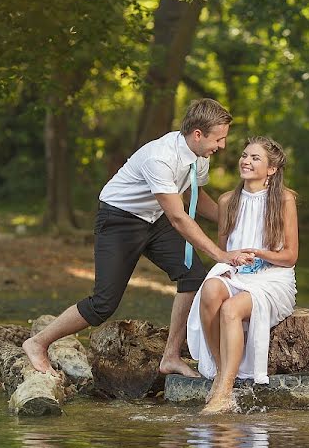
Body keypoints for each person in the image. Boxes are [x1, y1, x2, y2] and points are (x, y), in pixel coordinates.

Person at [23, 99, 255, 377]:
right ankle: (37, 343)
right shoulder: (160, 157)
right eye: (219, 138)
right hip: (119, 220)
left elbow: (194, 195)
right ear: (197, 134)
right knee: (103, 304)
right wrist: (221, 254)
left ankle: (170, 357)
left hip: (154, 218)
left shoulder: (200, 157)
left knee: (192, 276)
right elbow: (179, 218)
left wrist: (233, 220)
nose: (222, 145)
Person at [186, 136, 298, 414]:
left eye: (255, 158)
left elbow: (290, 257)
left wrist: (259, 254)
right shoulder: (228, 201)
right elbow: (225, 252)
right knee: (210, 290)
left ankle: (223, 392)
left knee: (231, 310)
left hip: (272, 277)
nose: (246, 161)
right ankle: (223, 369)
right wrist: (233, 260)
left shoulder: (284, 200)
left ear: (271, 169)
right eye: (245, 155)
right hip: (237, 273)